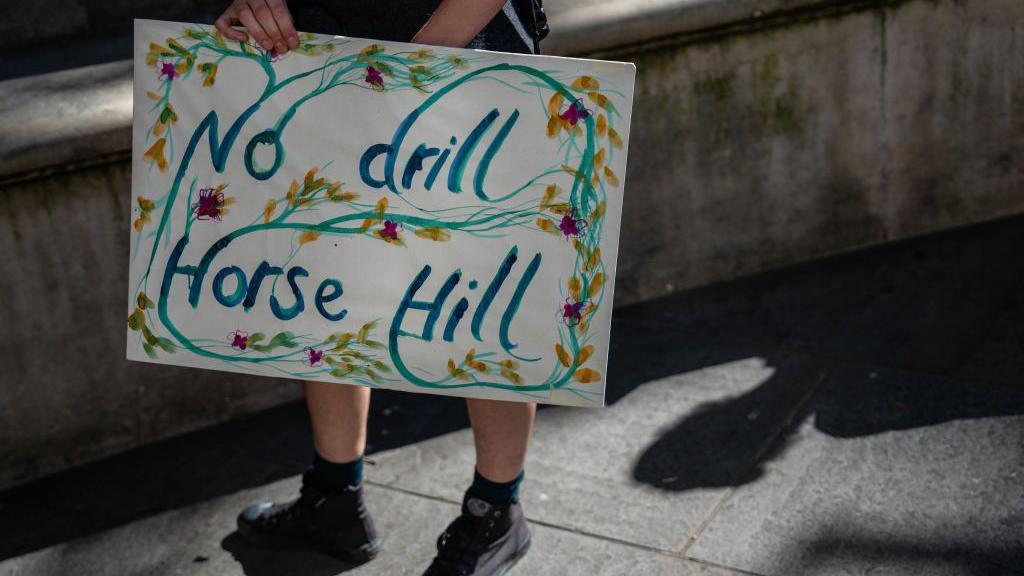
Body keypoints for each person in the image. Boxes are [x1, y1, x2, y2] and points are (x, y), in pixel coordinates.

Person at [214, 1, 543, 574]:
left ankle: (496, 509)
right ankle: (335, 496)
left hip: (461, 38)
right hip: (321, 41)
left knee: (483, 290)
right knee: (320, 266)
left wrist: (419, 57)